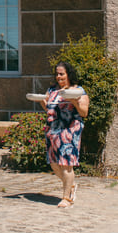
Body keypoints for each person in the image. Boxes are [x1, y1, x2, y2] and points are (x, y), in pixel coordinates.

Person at [43, 61, 89, 208]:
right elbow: (49, 108)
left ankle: (66, 198)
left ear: (69, 74)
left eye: (62, 74)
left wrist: (75, 102)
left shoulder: (78, 91)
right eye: (57, 74)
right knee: (54, 164)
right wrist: (41, 102)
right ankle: (71, 185)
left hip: (70, 130)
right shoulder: (52, 90)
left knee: (66, 164)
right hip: (53, 130)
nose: (58, 76)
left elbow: (84, 112)